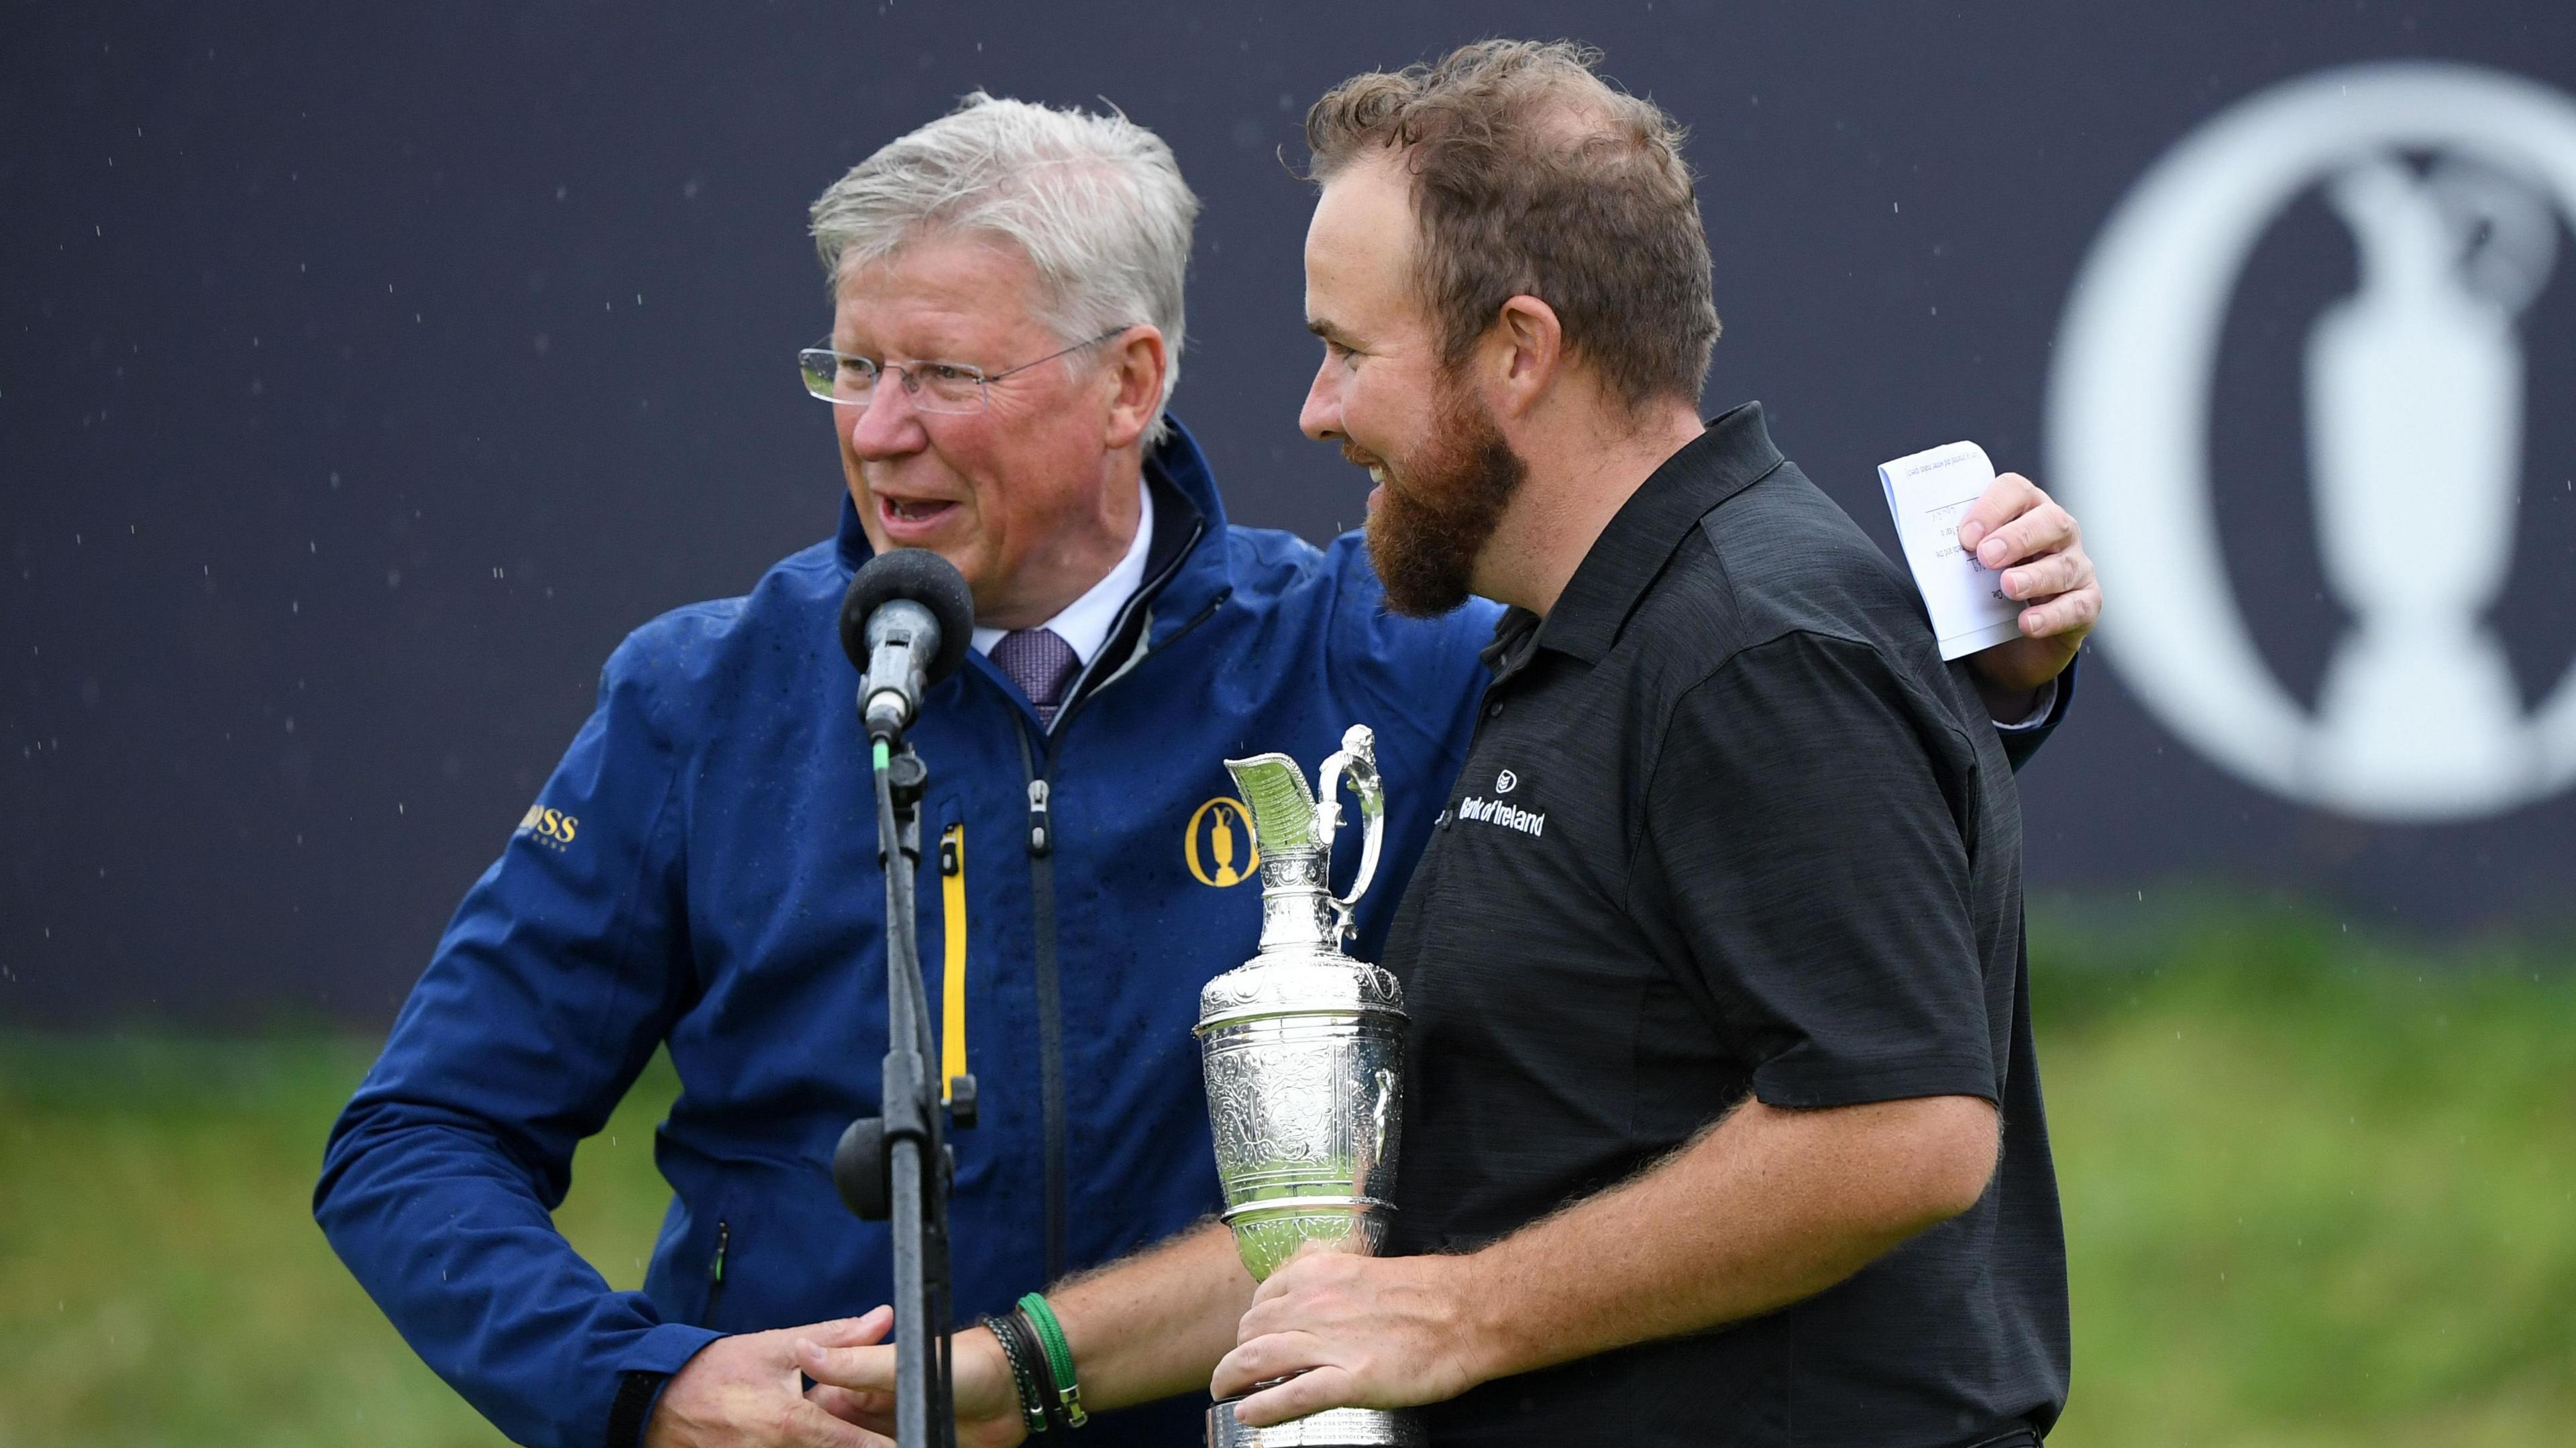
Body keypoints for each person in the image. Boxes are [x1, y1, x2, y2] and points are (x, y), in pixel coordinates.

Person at [319, 82, 2095, 1448]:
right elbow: (412, 1141)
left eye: (942, 370)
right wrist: (643, 1387)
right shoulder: (697, 699)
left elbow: (1722, 716)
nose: (876, 430)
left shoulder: (1395, 659)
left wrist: (1988, 671)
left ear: (1129, 380)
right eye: (846, 367)